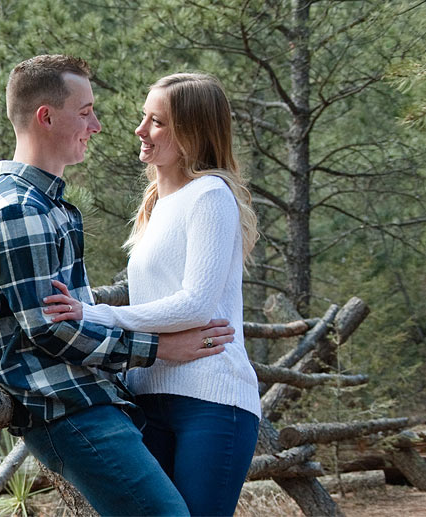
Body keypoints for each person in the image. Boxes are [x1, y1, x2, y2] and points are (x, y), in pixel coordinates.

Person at [0, 56, 235, 516]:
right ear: (47, 117)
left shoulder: (52, 208)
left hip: (88, 397)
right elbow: (52, 331)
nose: (98, 125)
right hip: (63, 404)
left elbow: (72, 314)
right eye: (85, 111)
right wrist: (160, 348)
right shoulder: (19, 210)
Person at [44, 73, 261, 516]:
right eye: (144, 117)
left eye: (157, 122)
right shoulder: (157, 206)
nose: (141, 130)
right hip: (147, 393)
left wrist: (97, 314)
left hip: (211, 398)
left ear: (192, 132)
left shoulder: (210, 195)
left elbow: (196, 305)